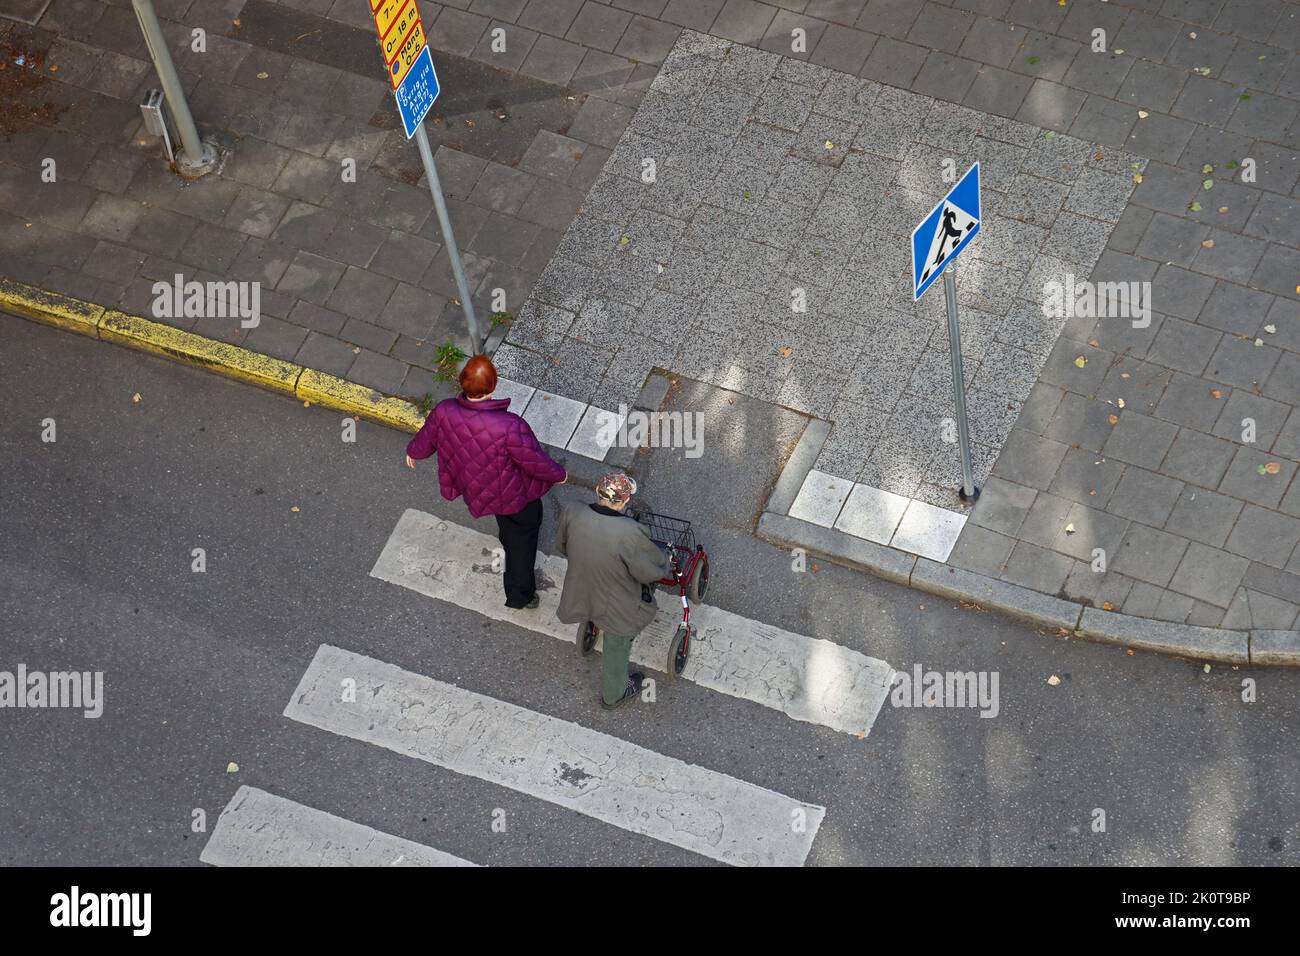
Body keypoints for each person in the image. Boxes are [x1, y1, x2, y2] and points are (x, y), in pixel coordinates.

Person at [405, 355, 565, 610]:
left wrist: (413, 451)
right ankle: (520, 594)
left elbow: (427, 438)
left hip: (479, 491)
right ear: (493, 386)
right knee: (524, 537)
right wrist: (560, 474)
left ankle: (509, 543)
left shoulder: (445, 410)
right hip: (514, 496)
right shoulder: (509, 425)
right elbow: (534, 461)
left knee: (508, 527)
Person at [555, 474, 671, 710]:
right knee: (617, 644)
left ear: (598, 491)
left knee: (593, 603)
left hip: (582, 585)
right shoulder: (629, 531)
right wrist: (665, 561)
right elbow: (649, 571)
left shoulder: (573, 511)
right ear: (624, 502)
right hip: (616, 603)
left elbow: (562, 545)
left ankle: (591, 623)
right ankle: (614, 694)